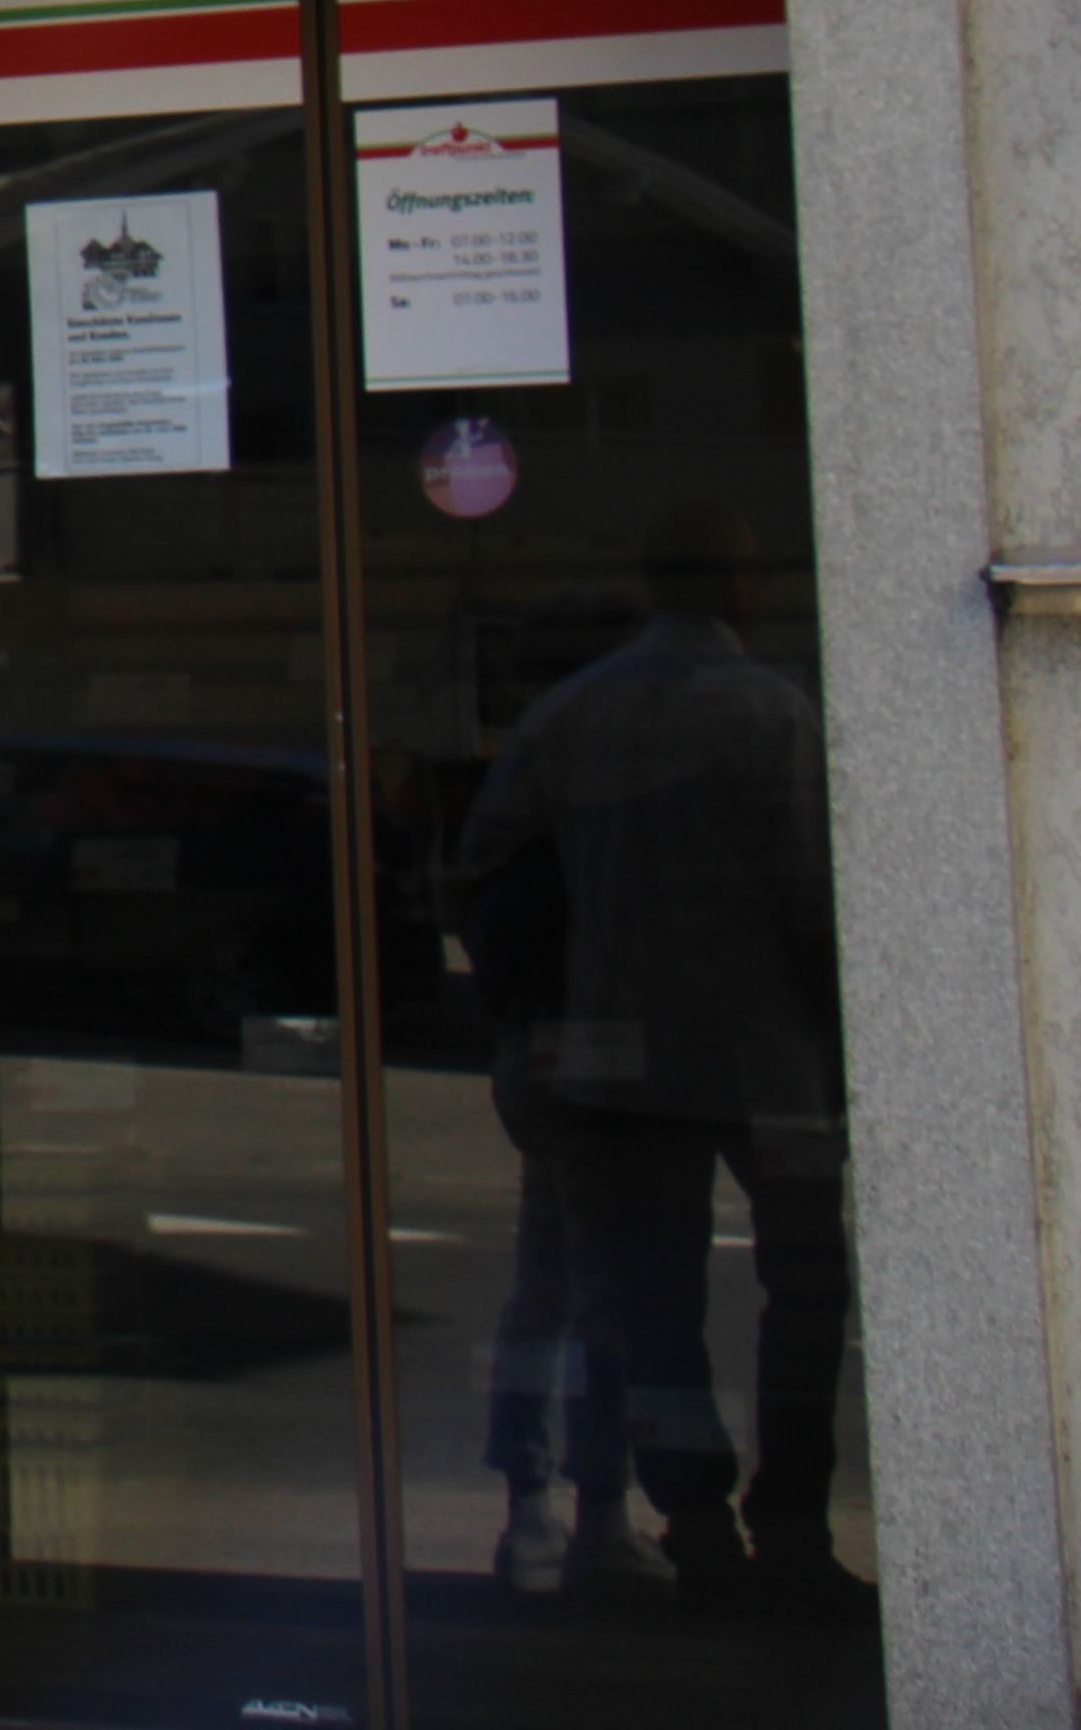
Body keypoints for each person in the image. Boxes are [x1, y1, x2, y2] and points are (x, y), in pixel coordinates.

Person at [453, 501, 863, 1621]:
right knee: (807, 1298)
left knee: (653, 1307)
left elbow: (484, 870)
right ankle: (790, 1530)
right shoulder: (771, 714)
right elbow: (820, 905)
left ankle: (693, 1523)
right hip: (771, 1063)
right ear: (747, 586)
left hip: (617, 1063)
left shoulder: (571, 715)